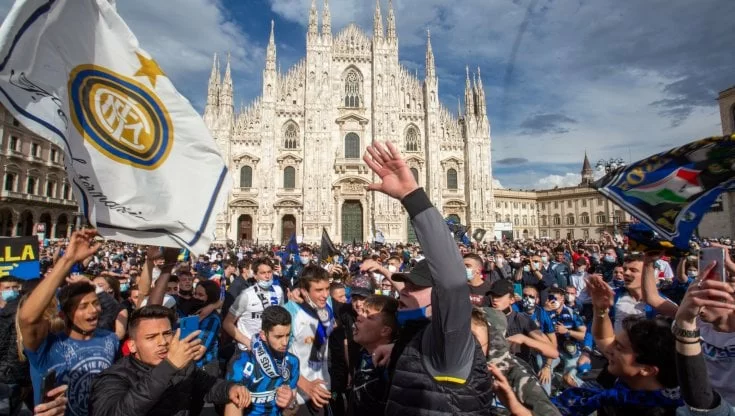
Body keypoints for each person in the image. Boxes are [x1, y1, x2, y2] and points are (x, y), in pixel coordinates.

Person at [363, 141, 494, 415]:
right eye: (405, 282)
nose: (404, 289)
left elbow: (451, 279)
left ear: (438, 297)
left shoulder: (451, 343)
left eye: (416, 286)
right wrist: (398, 346)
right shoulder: (417, 340)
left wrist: (412, 196)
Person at [19, 229, 119, 415]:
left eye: (95, 303)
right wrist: (67, 260)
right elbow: (28, 318)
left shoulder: (110, 338)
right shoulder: (46, 347)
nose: (93, 310)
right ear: (64, 315)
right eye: (83, 306)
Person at [553, 273, 683, 415]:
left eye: (619, 347)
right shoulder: (617, 375)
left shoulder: (658, 410)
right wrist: (601, 310)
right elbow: (604, 337)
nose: (609, 350)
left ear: (647, 369)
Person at [89, 305, 251, 415]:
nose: (163, 342)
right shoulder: (114, 377)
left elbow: (209, 385)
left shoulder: (183, 366)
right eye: (151, 337)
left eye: (167, 333)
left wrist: (230, 388)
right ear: (132, 345)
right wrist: (169, 367)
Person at [225, 305, 299, 416]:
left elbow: (290, 412)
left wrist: (290, 403)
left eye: (288, 335)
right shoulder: (242, 362)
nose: (285, 342)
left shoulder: (292, 362)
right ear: (263, 335)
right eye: (278, 336)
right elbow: (232, 409)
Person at [287, 265, 334, 415]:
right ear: (304, 291)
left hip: (321, 389)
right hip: (297, 395)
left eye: (327, 288)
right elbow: (277, 357)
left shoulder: (327, 306)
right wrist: (305, 385)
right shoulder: (289, 313)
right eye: (319, 290)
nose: (325, 295)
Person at [349, 295, 398, 416]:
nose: (359, 317)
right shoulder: (362, 353)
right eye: (362, 313)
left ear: (385, 331)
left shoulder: (391, 367)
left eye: (369, 317)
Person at [224, 259, 285, 352]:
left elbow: (281, 316)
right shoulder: (246, 295)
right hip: (248, 350)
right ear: (255, 276)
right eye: (263, 273)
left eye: (269, 272)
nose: (267, 276)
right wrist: (248, 343)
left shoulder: (278, 291)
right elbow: (227, 323)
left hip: (271, 348)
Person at [0, 276, 28, 414]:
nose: (11, 290)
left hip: (13, 377)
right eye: (7, 288)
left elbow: (17, 351)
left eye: (15, 287)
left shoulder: (22, 312)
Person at [192, 280, 222, 376]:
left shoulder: (212, 320)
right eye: (195, 294)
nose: (196, 297)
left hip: (204, 367)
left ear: (210, 297)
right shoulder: (195, 312)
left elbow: (198, 352)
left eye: (201, 295)